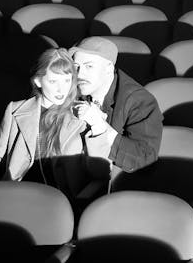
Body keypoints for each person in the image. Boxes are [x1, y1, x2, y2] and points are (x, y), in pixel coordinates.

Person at [0, 47, 107, 197]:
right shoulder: (15, 110)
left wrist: (98, 127)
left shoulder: (82, 114)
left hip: (62, 198)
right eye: (53, 81)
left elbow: (100, 170)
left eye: (67, 80)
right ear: (38, 81)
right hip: (18, 191)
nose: (61, 89)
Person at [69, 36, 163, 174]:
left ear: (108, 68)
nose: (80, 74)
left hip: (117, 184)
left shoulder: (139, 101)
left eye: (89, 66)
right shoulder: (71, 87)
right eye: (76, 66)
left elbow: (145, 158)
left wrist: (102, 128)